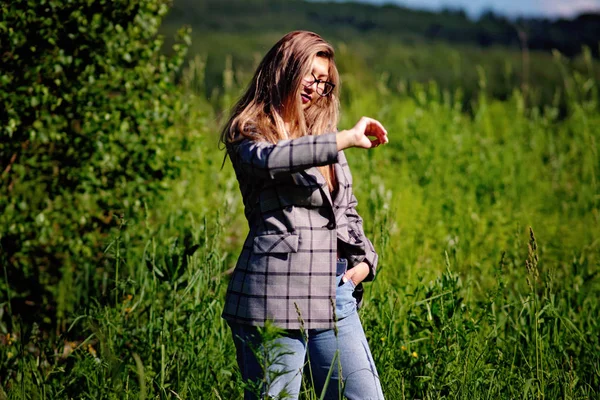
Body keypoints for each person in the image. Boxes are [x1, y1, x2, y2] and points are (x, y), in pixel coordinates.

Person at [220, 30, 388, 400]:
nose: (316, 88)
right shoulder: (249, 131)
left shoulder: (322, 137)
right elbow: (271, 161)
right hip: (274, 297)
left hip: (335, 295)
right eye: (311, 76)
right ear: (286, 69)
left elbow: (346, 210)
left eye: (325, 83)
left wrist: (365, 261)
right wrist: (341, 139)